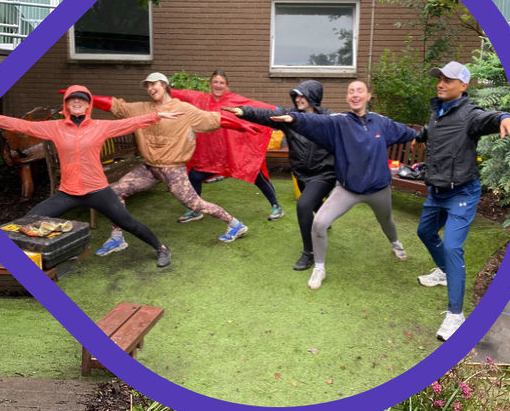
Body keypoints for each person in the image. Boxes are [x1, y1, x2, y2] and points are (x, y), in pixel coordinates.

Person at [0, 85, 182, 268]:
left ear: (88, 105)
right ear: (66, 104)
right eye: (72, 99)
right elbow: (20, 126)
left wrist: (157, 115)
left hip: (98, 190)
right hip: (68, 191)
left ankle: (161, 248)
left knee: (127, 222)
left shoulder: (100, 126)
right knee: (30, 219)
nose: (77, 102)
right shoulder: (55, 127)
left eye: (82, 99)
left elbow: (131, 123)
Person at [265, 80, 417, 290]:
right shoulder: (339, 121)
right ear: (347, 98)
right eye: (351, 92)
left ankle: (395, 243)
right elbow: (313, 122)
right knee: (319, 223)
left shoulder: (381, 122)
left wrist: (420, 136)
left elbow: (406, 132)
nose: (355, 95)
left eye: (359, 91)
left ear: (368, 96)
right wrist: (294, 118)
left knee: (387, 221)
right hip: (348, 189)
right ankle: (319, 267)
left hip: (378, 189)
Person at [412, 61, 510, 341]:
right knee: (424, 232)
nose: (441, 83)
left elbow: (489, 118)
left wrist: (505, 117)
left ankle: (455, 316)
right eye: (439, 78)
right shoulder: (438, 111)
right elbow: (430, 129)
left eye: (448, 80)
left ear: (463, 85)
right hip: (437, 191)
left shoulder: (469, 114)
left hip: (462, 193)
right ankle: (445, 272)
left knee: (451, 246)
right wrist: (418, 137)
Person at [92, 72, 252, 256]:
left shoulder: (184, 109)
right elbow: (116, 106)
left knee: (196, 205)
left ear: (165, 85)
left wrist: (241, 125)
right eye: (148, 86)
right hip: (150, 168)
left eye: (155, 84)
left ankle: (235, 225)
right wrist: (87, 98)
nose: (151, 88)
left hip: (173, 169)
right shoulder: (142, 108)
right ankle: (117, 238)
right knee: (115, 191)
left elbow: (213, 118)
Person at [224, 80, 336, 271]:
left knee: (304, 205)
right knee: (315, 204)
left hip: (324, 172)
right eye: (296, 95)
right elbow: (268, 115)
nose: (298, 99)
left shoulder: (330, 119)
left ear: (313, 98)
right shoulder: (290, 117)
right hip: (301, 173)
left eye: (303, 95)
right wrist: (244, 111)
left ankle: (309, 252)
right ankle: (326, 217)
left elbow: (351, 128)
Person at [170, 70, 284, 223]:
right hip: (211, 154)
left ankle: (276, 206)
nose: (218, 85)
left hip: (235, 151)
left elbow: (256, 106)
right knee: (194, 176)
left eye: (221, 83)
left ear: (226, 85)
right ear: (210, 84)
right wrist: (163, 88)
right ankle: (195, 209)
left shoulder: (234, 100)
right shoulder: (201, 99)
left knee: (256, 175)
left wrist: (277, 111)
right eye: (215, 82)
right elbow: (184, 95)